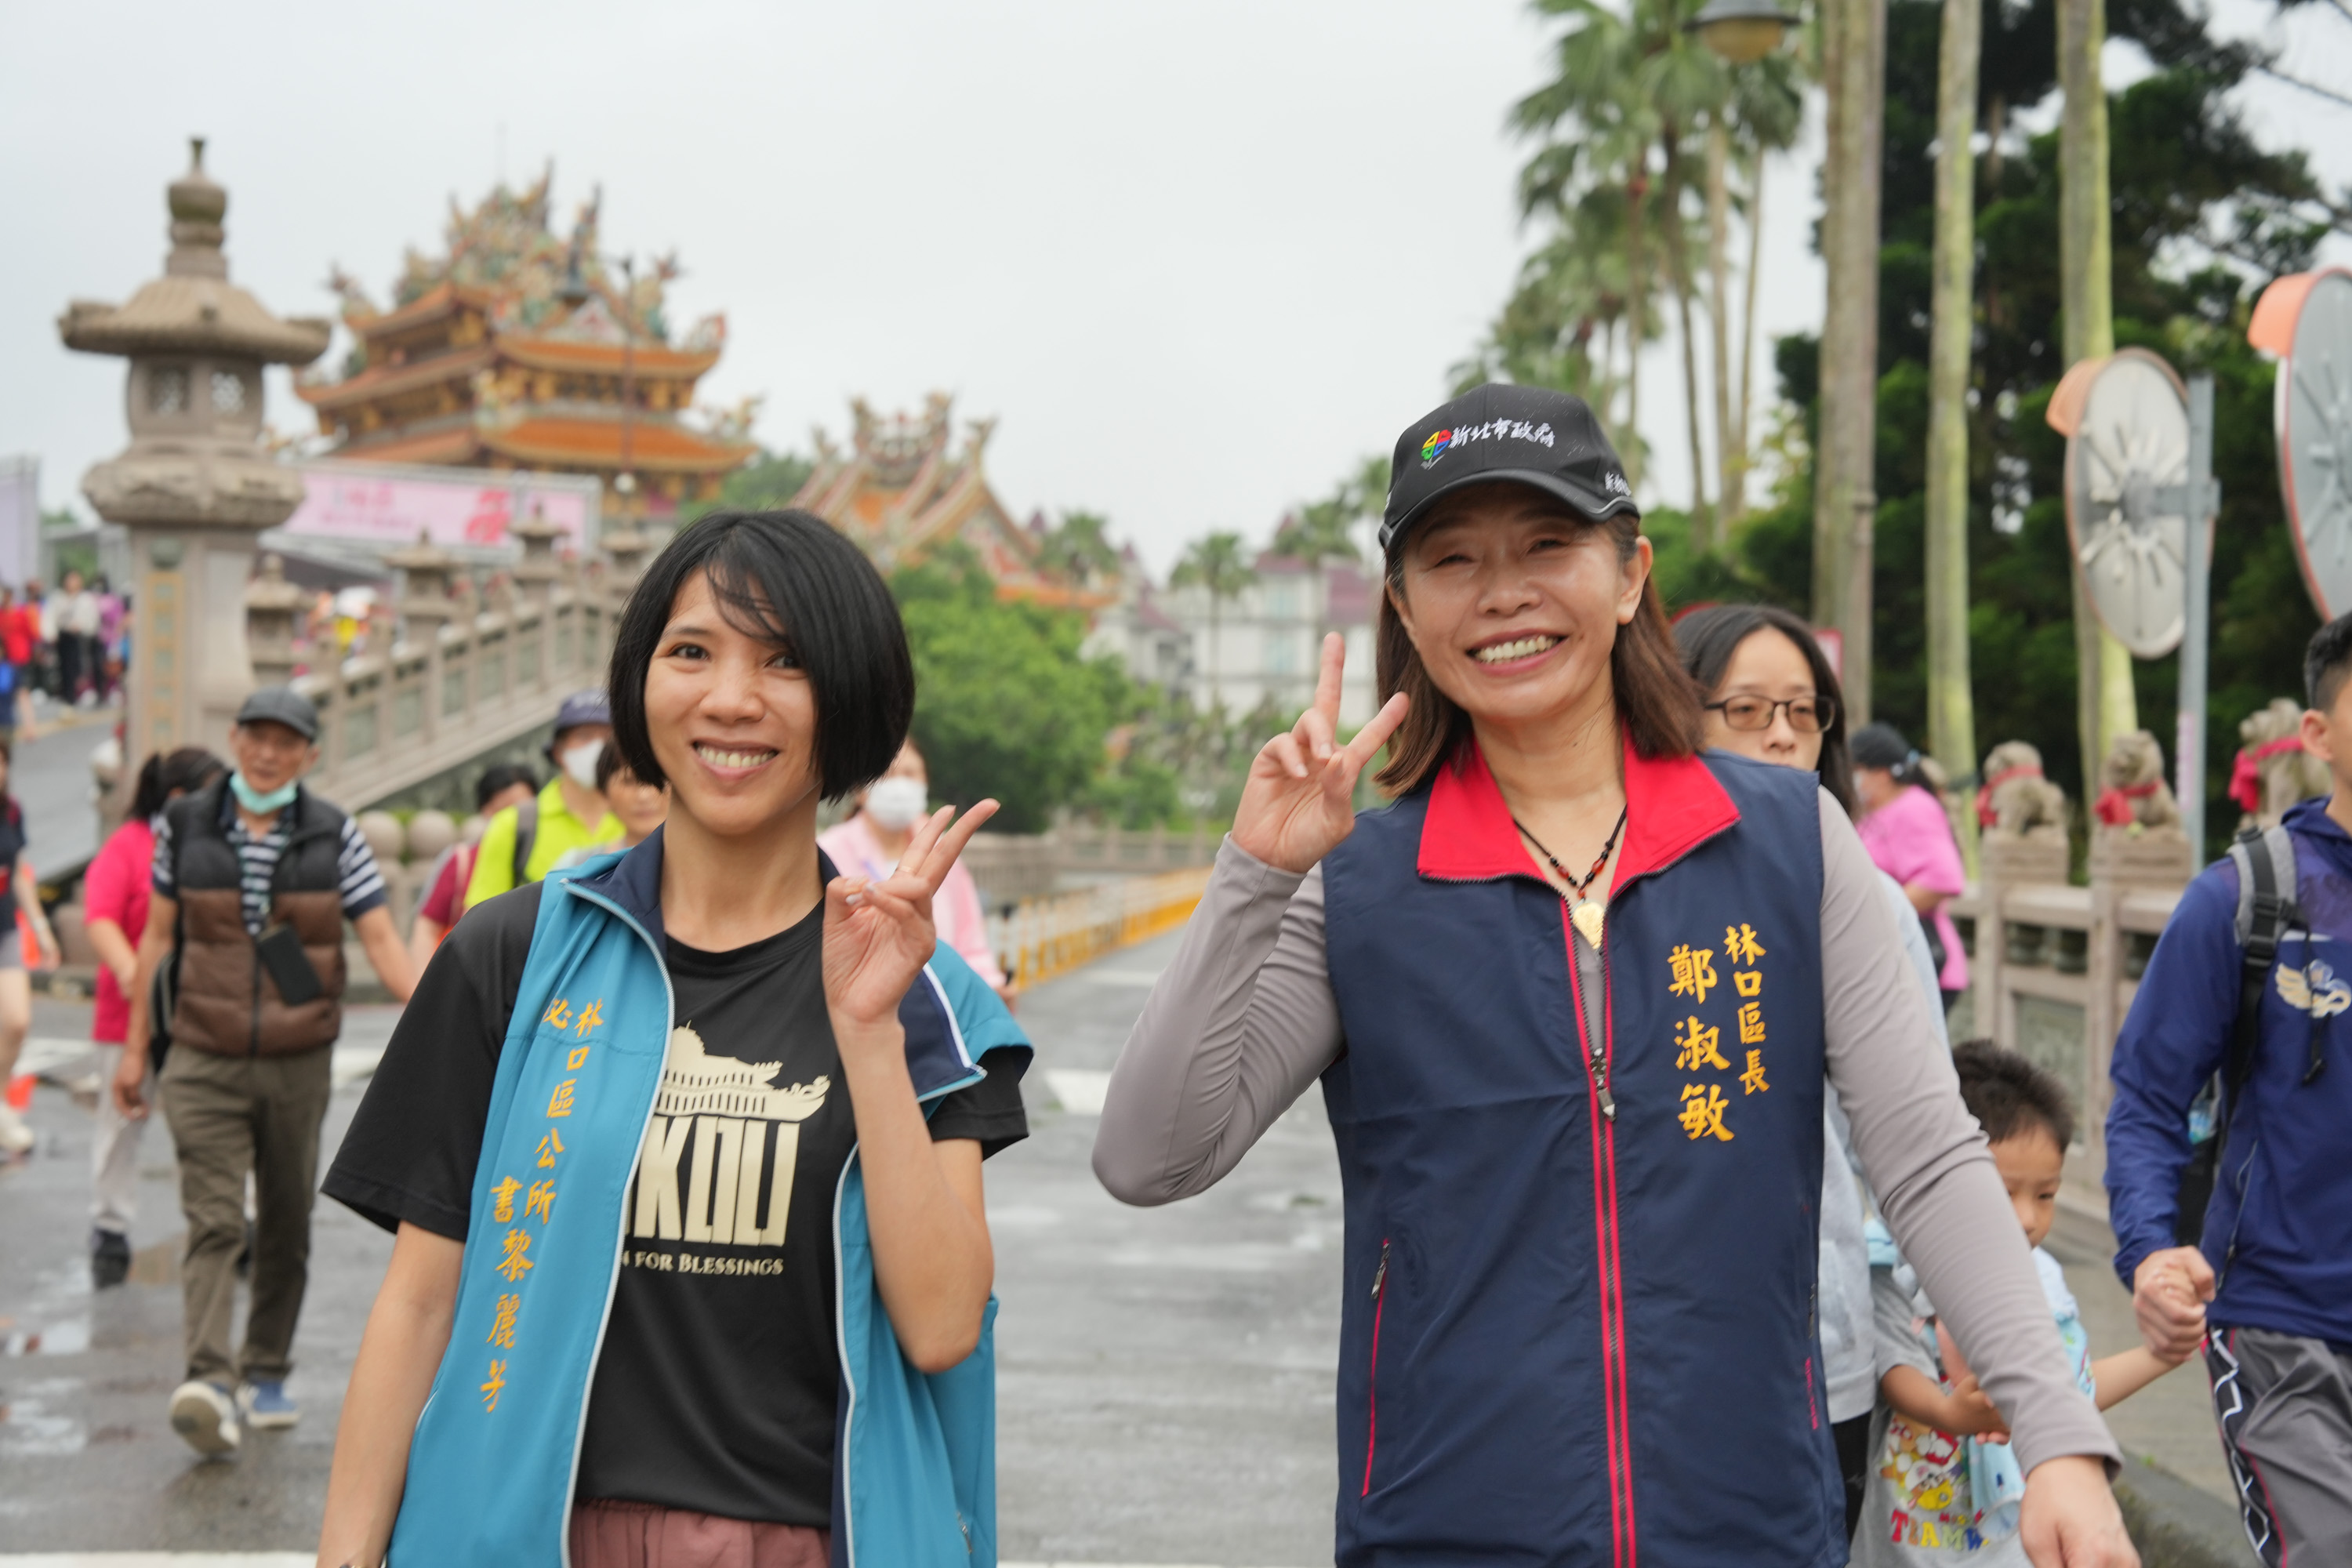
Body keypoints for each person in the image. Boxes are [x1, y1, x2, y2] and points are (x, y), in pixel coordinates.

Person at [1094, 385, 2132, 1567]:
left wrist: (2057, 1433)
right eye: (1453, 559)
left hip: (1746, 1524)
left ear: (1632, 574)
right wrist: (1255, 875)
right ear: (1406, 608)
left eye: (1548, 545)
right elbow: (1148, 1157)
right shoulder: (1360, 887)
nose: (1503, 593)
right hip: (1448, 1531)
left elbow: (1930, 1161)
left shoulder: (1789, 843)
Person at [316, 510, 1031, 1567]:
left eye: (785, 660)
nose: (731, 698)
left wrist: (871, 1031)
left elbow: (941, 1327)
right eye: (691, 651)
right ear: (639, 683)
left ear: (852, 697)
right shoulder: (513, 958)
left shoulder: (932, 1000)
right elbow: (419, 1302)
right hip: (532, 1539)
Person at [1675, 601, 1950, 1537]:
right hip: (1647, 1361)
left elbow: (1917, 1141)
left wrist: (1951, 1314)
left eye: (1804, 710)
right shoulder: (1615, 895)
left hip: (1817, 1354)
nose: (1783, 733)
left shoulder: (1868, 902)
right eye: (1747, 709)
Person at [2105, 611, 2352, 1567]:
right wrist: (2150, 1254)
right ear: (2317, 733)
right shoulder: (2247, 897)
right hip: (2281, 1322)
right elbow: (2147, 1097)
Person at [114, 685, 419, 1457]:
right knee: (216, 1219)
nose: (267, 752)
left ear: (309, 754)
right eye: (256, 736)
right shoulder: (185, 824)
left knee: (285, 1220)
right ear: (236, 740)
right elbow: (157, 940)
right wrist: (135, 1047)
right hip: (201, 1052)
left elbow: (382, 940)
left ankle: (266, 1368)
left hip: (297, 1060)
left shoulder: (334, 833)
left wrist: (443, 1022)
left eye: (286, 741)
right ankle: (209, 1380)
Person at [1855, 1043, 2187, 1563]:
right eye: (2003, 1192)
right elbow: (1894, 1366)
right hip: (1909, 1551)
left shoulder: (2040, 1282)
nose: (2028, 1219)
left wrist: (2162, 1356)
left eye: (2045, 1195)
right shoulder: (1893, 1264)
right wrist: (1945, 1411)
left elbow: (2066, 1392)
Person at [85, 746, 227, 1285]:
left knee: (217, 1124)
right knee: (121, 1122)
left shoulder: (220, 843)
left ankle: (231, 1222)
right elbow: (101, 918)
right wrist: (134, 974)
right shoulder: (129, 845)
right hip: (127, 1014)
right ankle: (110, 1226)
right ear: (178, 797)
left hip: (203, 1014)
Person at [819, 738, 1008, 996]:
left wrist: (990, 988)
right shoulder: (827, 851)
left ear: (925, 782)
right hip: (858, 995)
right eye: (885, 774)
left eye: (909, 774)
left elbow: (970, 938)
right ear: (859, 789)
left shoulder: (943, 848)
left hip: (946, 997)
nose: (899, 786)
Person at [462, 691, 622, 909]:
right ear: (558, 752)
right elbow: (480, 918)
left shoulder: (645, 819)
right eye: (584, 736)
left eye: (609, 737)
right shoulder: (513, 824)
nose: (599, 747)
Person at [1853, 722, 1970, 1010]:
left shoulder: (1914, 807)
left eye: (1855, 770)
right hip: (1892, 964)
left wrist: (1871, 919)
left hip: (1922, 965)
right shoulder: (1876, 812)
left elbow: (1942, 880)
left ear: (1881, 774)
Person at [406, 764, 539, 966]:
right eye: (505, 810)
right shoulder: (463, 860)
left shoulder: (549, 853)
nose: (514, 819)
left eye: (524, 809)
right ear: (485, 810)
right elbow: (426, 929)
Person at [0, 739, 62, 1155]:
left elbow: (18, 871)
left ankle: (1, 1102)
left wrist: (42, 930)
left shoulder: (11, 811)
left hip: (5, 928)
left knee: (17, 1021)